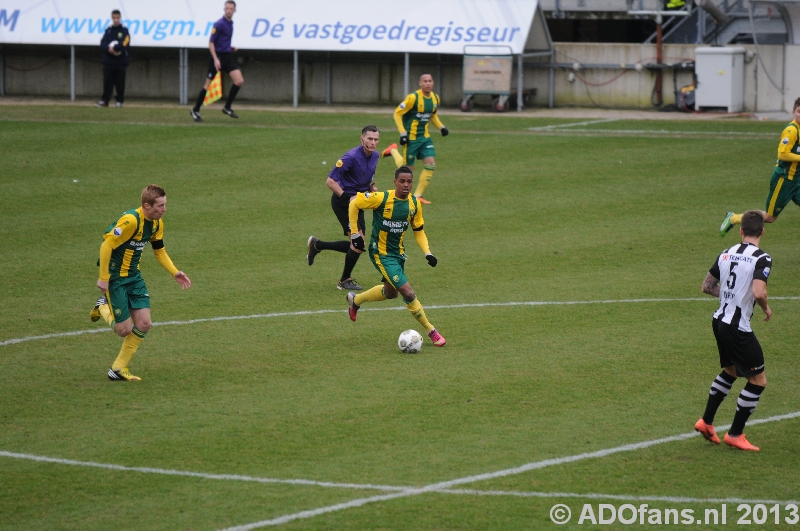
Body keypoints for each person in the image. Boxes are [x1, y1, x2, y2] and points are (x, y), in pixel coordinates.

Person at [89, 185, 192, 381]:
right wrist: (104, 277)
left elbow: (159, 251)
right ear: (147, 205)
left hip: (134, 277)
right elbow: (106, 245)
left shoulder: (156, 224)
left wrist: (175, 272)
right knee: (124, 330)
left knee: (144, 323)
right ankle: (102, 305)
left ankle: (118, 369)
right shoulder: (130, 221)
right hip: (116, 278)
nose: (164, 209)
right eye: (160, 205)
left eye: (165, 204)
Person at [695, 210, 772, 451]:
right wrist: (765, 308)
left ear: (740, 230)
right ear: (762, 231)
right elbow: (759, 292)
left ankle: (706, 422)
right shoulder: (762, 258)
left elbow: (707, 286)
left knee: (730, 371)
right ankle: (736, 434)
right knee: (758, 381)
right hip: (738, 327)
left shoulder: (726, 253)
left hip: (719, 321)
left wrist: (730, 296)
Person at [345, 166, 446, 347]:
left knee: (390, 293)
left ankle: (356, 300)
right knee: (408, 292)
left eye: (409, 181)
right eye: (402, 181)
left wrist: (427, 252)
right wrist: (354, 233)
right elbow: (354, 203)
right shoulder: (381, 198)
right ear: (395, 182)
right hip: (381, 254)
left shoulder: (414, 204)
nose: (406, 185)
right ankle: (431, 330)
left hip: (398, 255)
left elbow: (418, 230)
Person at [307, 125, 383, 291]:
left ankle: (318, 245)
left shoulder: (375, 156)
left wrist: (369, 188)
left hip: (359, 203)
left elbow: (362, 179)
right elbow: (330, 181)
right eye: (369, 138)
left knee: (357, 244)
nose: (373, 142)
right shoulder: (350, 157)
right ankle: (344, 280)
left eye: (376, 139)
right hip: (344, 204)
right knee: (358, 244)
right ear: (361, 138)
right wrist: (347, 197)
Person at [720, 97, 800, 235]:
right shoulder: (791, 131)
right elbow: (782, 154)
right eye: (799, 111)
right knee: (769, 217)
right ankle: (733, 218)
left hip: (797, 180)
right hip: (785, 179)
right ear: (793, 112)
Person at [383, 74, 449, 205]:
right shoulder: (413, 98)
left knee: (430, 163)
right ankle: (393, 151)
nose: (428, 83)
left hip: (425, 138)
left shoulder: (435, 98)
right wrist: (403, 133)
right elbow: (397, 113)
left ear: (433, 82)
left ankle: (418, 195)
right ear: (420, 83)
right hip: (411, 139)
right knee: (407, 169)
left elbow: (432, 115)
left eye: (430, 81)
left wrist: (441, 127)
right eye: (425, 81)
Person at [190, 0, 243, 122]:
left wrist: (230, 48)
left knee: (239, 80)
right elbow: (211, 42)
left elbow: (222, 42)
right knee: (207, 85)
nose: (229, 10)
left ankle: (227, 107)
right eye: (227, 8)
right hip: (217, 57)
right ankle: (195, 110)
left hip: (227, 56)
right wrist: (215, 59)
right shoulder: (219, 24)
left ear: (234, 10)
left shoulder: (230, 23)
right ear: (224, 9)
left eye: (231, 9)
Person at [96, 10, 130, 108]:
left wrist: (116, 48)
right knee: (107, 82)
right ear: (112, 18)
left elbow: (125, 41)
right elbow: (103, 42)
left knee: (120, 83)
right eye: (114, 18)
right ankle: (105, 101)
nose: (115, 20)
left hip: (120, 62)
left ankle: (119, 101)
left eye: (117, 18)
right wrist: (108, 48)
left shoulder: (124, 30)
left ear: (120, 18)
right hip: (109, 61)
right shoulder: (109, 30)